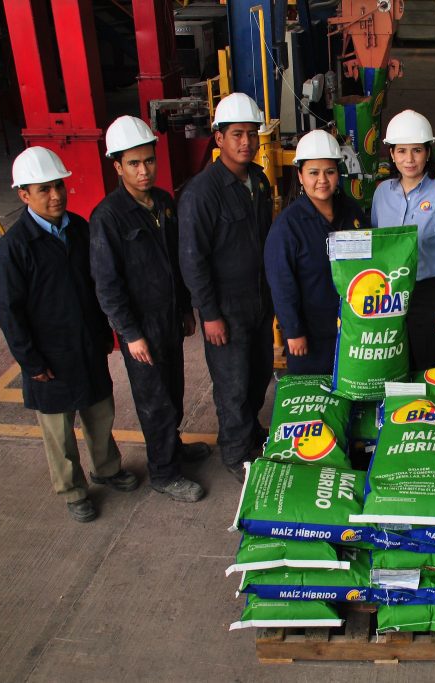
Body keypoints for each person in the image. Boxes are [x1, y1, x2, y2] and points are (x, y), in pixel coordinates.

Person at [0, 147, 137, 523]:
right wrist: (31, 361)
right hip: (48, 358)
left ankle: (107, 469)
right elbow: (9, 311)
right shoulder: (15, 246)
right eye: (44, 189)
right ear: (24, 195)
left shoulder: (79, 228)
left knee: (100, 413)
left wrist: (105, 332)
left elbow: (96, 286)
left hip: (87, 344)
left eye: (59, 186)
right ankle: (73, 491)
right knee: (59, 432)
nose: (56, 195)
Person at [89, 115, 210, 504]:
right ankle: (164, 472)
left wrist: (186, 309)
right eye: (134, 164)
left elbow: (175, 262)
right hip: (141, 327)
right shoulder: (107, 217)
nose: (144, 170)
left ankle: (171, 446)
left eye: (149, 161)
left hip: (169, 318)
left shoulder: (163, 204)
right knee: (154, 401)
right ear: (117, 167)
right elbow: (107, 285)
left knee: (173, 390)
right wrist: (130, 333)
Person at [179, 93, 273, 482]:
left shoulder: (260, 181)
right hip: (226, 309)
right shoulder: (201, 193)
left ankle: (250, 433)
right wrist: (210, 314)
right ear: (218, 138)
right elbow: (192, 259)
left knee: (257, 375)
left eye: (251, 134)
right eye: (237, 134)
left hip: (258, 301)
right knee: (232, 384)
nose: (246, 143)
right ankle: (235, 454)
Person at [264, 129, 369, 374]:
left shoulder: (351, 212)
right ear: (300, 175)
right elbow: (281, 285)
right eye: (313, 173)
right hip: (309, 338)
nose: (322, 180)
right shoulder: (287, 227)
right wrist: (293, 331)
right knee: (316, 405)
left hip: (353, 331)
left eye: (329, 172)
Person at [371, 110, 435, 371]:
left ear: (428, 153)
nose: (409, 159)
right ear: (391, 154)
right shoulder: (381, 195)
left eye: (417, 150)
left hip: (429, 295)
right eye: (401, 151)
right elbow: (375, 246)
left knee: (430, 366)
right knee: (392, 364)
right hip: (389, 293)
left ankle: (430, 412)